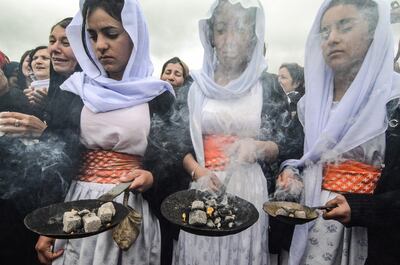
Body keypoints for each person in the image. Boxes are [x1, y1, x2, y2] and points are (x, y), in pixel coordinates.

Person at [35, 0, 175, 264]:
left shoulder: (158, 96)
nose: (100, 45)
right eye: (92, 35)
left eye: (111, 34)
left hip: (130, 209)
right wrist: (48, 222)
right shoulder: (74, 91)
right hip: (77, 206)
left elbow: (171, 158)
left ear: (135, 36)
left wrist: (152, 176)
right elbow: (55, 161)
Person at [277, 0, 400, 264]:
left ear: (372, 33)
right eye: (325, 31)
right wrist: (291, 172)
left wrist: (362, 208)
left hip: (371, 236)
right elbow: (299, 154)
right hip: (312, 222)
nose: (332, 38)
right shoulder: (309, 105)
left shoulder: (395, 100)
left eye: (345, 26)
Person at [173, 0, 293, 264]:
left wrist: (260, 147)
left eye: (240, 28)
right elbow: (179, 145)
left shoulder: (268, 85)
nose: (229, 38)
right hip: (204, 184)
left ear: (253, 37)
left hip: (248, 188)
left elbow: (286, 143)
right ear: (211, 37)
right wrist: (198, 171)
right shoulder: (195, 87)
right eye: (221, 29)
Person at [0, 18, 83, 265]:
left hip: (73, 201)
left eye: (65, 42)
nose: (54, 49)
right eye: (51, 41)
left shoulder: (88, 92)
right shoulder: (57, 92)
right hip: (32, 202)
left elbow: (76, 149)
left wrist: (42, 131)